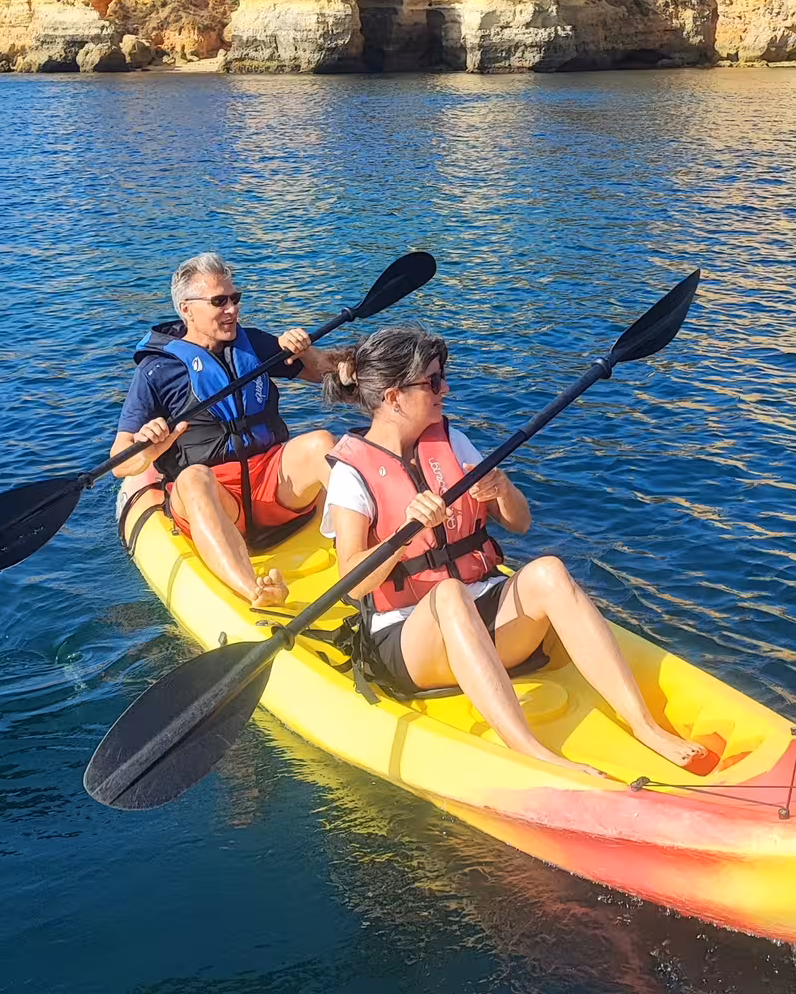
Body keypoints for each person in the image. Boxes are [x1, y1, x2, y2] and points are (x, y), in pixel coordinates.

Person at [320, 326, 714, 778]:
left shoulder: (450, 440)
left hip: (479, 612)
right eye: (432, 381)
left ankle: (644, 725)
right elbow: (350, 582)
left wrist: (502, 489)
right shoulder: (352, 474)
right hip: (408, 640)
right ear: (393, 397)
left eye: (441, 376)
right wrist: (402, 538)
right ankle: (528, 749)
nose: (444, 387)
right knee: (448, 594)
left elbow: (520, 523)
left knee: (547, 570)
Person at [113, 253, 338, 608]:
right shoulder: (157, 371)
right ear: (186, 309)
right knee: (192, 479)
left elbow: (329, 373)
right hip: (219, 498)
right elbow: (119, 461)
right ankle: (256, 591)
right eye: (219, 301)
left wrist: (307, 352)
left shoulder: (253, 345)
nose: (232, 309)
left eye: (235, 298)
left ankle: (381, 545)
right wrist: (149, 449)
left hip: (272, 486)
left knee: (321, 443)